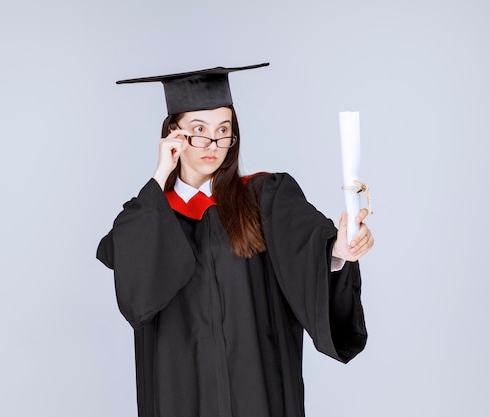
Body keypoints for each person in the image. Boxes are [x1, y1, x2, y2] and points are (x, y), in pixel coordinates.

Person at [96, 63, 374, 417]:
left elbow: (308, 246)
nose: (213, 143)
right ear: (173, 135)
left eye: (223, 130)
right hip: (181, 394)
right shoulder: (153, 215)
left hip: (258, 391)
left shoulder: (265, 197)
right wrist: (160, 174)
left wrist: (338, 251)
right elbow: (134, 284)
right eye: (199, 130)